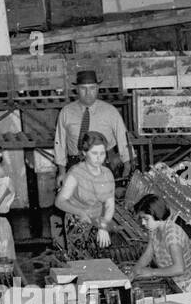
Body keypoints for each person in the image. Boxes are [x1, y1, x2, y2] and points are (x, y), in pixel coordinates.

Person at [52, 69, 131, 181]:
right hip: (75, 166)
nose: (88, 93)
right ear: (77, 89)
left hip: (104, 165)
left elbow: (123, 139)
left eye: (92, 88)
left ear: (97, 89)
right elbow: (59, 142)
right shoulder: (66, 112)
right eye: (83, 88)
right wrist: (61, 172)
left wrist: (127, 164)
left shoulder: (110, 111)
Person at [53, 131, 115, 262]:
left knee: (100, 261)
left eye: (102, 153)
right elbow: (60, 201)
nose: (99, 158)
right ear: (85, 153)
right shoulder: (76, 173)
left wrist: (104, 226)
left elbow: (110, 204)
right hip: (77, 222)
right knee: (82, 263)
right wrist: (80, 212)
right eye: (94, 153)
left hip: (98, 221)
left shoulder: (107, 174)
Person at [132, 194, 191, 294]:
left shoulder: (172, 236)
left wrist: (152, 272)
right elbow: (148, 254)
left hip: (185, 287)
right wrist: (135, 271)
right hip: (171, 282)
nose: (143, 223)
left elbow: (179, 268)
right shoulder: (154, 230)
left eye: (146, 219)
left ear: (157, 214)